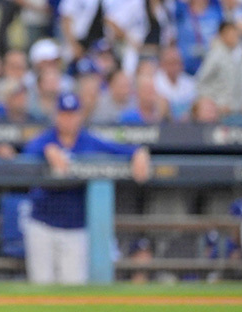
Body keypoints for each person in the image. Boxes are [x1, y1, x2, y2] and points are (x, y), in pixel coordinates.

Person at [20, 93, 151, 284]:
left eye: (73, 114)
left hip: (75, 227)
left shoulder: (88, 140)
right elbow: (27, 153)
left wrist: (139, 153)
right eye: (64, 114)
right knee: (41, 286)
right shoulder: (46, 139)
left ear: (80, 115)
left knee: (73, 287)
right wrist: (47, 150)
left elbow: (121, 149)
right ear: (56, 115)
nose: (68, 119)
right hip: (43, 224)